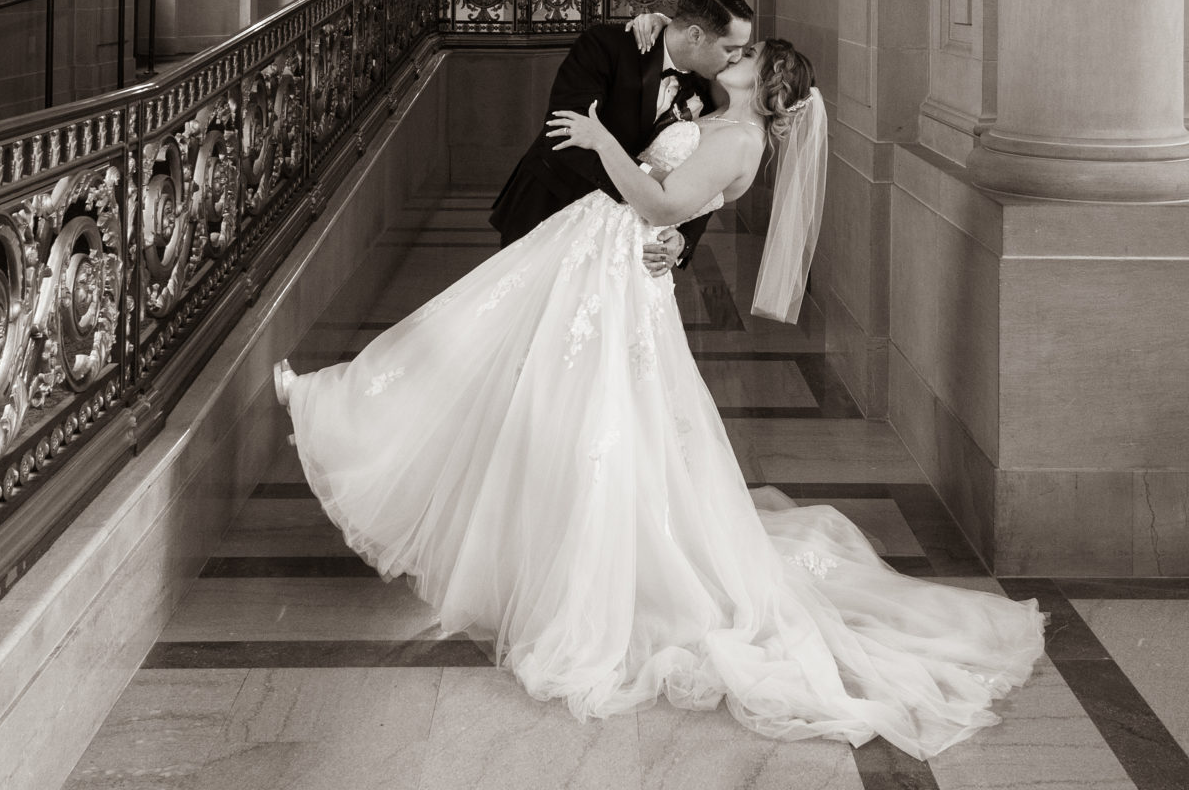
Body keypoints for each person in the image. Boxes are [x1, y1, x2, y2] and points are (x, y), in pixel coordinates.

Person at [273, 38, 1045, 760]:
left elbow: (666, 207)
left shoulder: (741, 140)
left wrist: (603, 141)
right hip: (598, 258)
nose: (736, 54)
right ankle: (381, 428)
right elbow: (678, 205)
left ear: (769, 86)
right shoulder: (712, 118)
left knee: (594, 418)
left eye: (749, 54)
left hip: (617, 274)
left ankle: (574, 572)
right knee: (509, 367)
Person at [490, 0, 753, 274]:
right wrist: (651, 180)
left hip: (620, 243)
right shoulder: (606, 45)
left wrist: (683, 238)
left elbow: (705, 177)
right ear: (695, 35)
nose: (737, 58)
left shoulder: (711, 88)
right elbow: (563, 133)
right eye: (731, 48)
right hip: (550, 208)